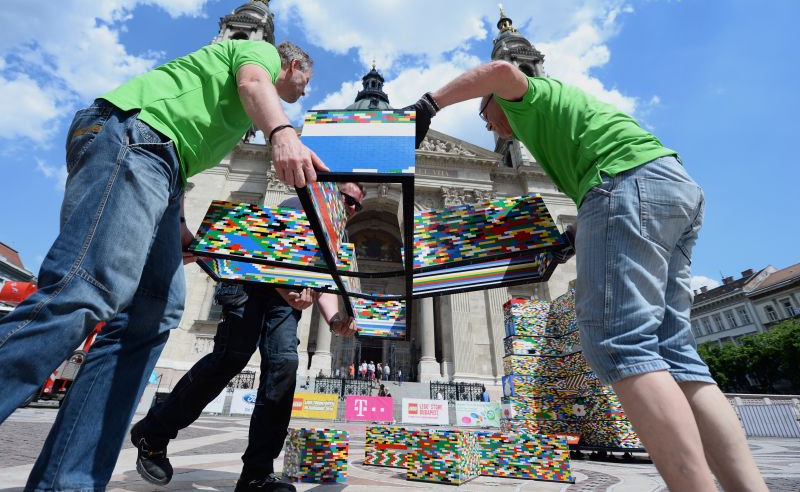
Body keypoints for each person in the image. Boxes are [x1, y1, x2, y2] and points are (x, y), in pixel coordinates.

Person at [408, 60, 767, 492]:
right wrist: (569, 238)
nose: (489, 129)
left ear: (493, 98)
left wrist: (431, 104)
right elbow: (602, 198)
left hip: (624, 184)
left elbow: (501, 69)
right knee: (676, 353)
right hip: (672, 187)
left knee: (620, 343)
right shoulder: (564, 120)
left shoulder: (525, 98)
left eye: (485, 116)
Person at [0, 39, 328, 491]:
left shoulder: (234, 120)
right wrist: (282, 132)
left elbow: (182, 165)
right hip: (134, 137)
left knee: (152, 316)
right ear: (292, 65)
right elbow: (253, 81)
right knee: (85, 290)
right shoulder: (260, 55)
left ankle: (67, 484)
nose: (305, 92)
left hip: (162, 165)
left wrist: (181, 228)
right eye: (305, 82)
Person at [130, 184, 364, 491]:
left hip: (285, 302)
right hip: (249, 285)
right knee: (231, 357)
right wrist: (291, 292)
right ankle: (154, 432)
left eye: (358, 206)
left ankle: (257, 473)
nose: (352, 209)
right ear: (330, 193)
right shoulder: (298, 205)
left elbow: (320, 284)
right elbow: (262, 253)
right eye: (348, 200)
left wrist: (335, 321)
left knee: (284, 366)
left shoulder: (338, 234)